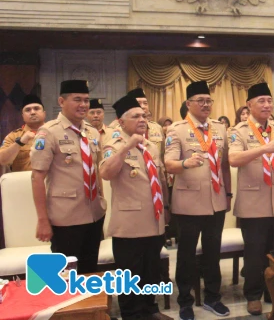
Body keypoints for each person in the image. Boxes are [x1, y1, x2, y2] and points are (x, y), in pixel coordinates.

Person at [99, 95, 172, 320]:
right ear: (121, 122)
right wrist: (126, 147)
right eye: (136, 116)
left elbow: (159, 181)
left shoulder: (150, 145)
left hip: (155, 220)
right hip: (129, 225)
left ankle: (151, 309)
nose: (142, 119)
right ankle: (132, 315)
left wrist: (166, 210)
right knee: (130, 275)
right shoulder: (114, 144)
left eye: (144, 116)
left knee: (152, 271)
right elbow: (106, 173)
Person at [164, 81, 232, 319]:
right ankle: (185, 301)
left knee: (213, 252)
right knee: (186, 255)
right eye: (200, 100)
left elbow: (224, 165)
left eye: (208, 100)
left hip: (217, 200)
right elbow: (168, 163)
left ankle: (213, 298)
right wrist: (185, 163)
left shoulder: (220, 128)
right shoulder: (177, 130)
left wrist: (229, 193)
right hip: (189, 204)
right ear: (188, 104)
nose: (205, 105)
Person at [228, 83, 274, 316]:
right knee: (255, 254)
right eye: (261, 101)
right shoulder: (239, 131)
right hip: (252, 203)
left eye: (269, 100)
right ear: (249, 105)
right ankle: (253, 295)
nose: (267, 105)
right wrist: (264, 148)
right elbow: (234, 159)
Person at [30, 80, 106, 273]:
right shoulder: (49, 132)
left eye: (86, 100)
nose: (83, 105)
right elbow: (37, 178)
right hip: (65, 219)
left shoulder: (92, 133)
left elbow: (96, 171)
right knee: (66, 277)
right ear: (61, 101)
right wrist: (42, 220)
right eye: (77, 99)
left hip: (94, 214)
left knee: (89, 272)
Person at [0, 94, 46, 172]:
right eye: (28, 110)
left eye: (36, 108)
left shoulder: (55, 132)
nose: (32, 112)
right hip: (24, 182)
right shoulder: (13, 136)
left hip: (52, 181)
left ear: (44, 113)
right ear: (23, 116)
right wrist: (19, 143)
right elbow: (3, 160)